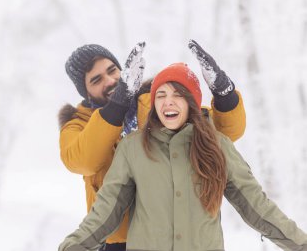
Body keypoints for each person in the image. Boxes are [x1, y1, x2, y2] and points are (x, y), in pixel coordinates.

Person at [58, 63, 307, 251]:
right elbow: (104, 213)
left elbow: (257, 207)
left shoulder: (216, 146)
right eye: (161, 95)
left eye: (178, 95)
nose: (169, 102)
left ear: (192, 102)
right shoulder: (133, 149)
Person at [58, 40, 246, 251]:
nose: (110, 81)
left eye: (112, 70)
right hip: (118, 241)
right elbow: (83, 160)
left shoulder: (153, 103)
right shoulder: (77, 125)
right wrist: (117, 106)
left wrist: (224, 94)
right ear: (85, 91)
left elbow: (224, 132)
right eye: (96, 80)